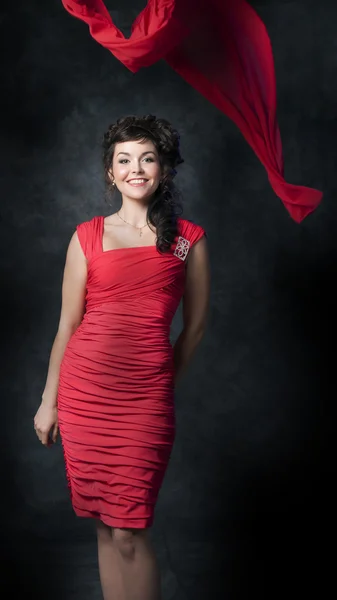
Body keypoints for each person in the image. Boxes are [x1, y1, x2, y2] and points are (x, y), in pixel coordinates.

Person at [33, 114, 210, 600]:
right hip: (83, 395)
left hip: (145, 401)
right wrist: (49, 401)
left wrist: (158, 383)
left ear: (164, 170)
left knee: (130, 528)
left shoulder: (186, 240)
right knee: (106, 527)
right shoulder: (86, 235)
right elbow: (67, 325)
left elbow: (193, 329)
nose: (136, 168)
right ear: (110, 173)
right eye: (124, 160)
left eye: (147, 158)